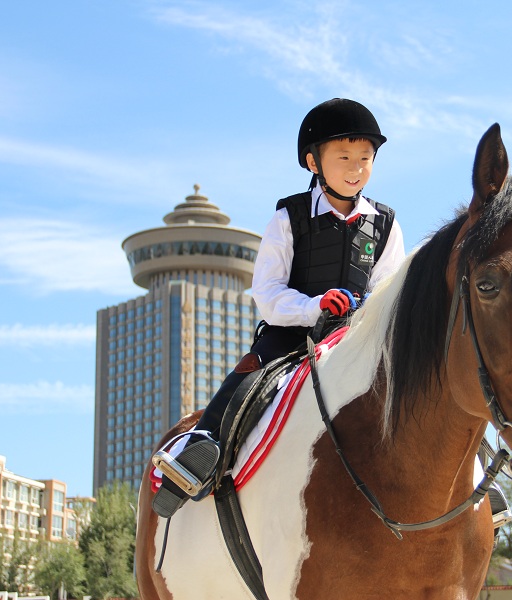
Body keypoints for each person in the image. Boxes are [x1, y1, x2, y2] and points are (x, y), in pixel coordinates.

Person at [151, 98, 406, 518]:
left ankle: (476, 477)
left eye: (366, 157)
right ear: (313, 162)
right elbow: (267, 294)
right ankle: (199, 451)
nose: (357, 166)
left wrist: (361, 311)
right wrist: (315, 306)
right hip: (290, 334)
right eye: (344, 157)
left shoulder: (385, 224)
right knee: (245, 383)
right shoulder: (289, 217)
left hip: (358, 337)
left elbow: (388, 288)